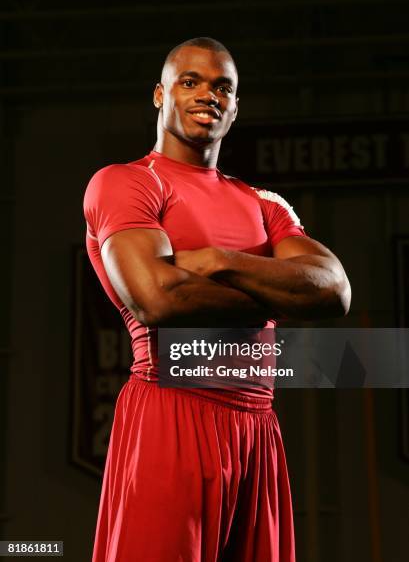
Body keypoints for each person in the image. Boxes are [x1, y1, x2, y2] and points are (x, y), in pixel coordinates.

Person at [84, 37, 351, 562]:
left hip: (258, 427)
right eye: (191, 81)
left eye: (222, 87)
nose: (209, 94)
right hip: (172, 409)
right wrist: (279, 292)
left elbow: (333, 290)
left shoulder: (260, 202)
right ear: (160, 95)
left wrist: (219, 260)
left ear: (234, 108)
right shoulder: (127, 183)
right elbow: (158, 300)